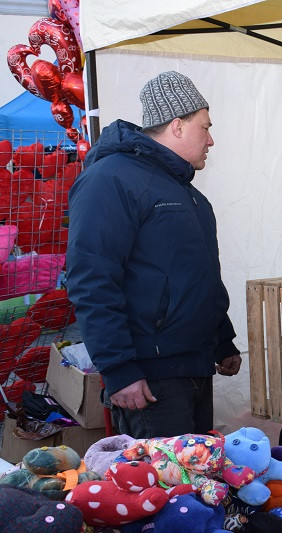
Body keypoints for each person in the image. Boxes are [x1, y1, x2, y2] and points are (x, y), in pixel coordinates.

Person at [66, 71, 241, 439]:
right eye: (204, 127)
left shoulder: (190, 195)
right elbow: (91, 280)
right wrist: (119, 369)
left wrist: (222, 339)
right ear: (177, 126)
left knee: (198, 485)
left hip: (194, 368)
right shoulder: (111, 179)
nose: (211, 139)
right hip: (148, 380)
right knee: (163, 492)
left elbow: (200, 274)